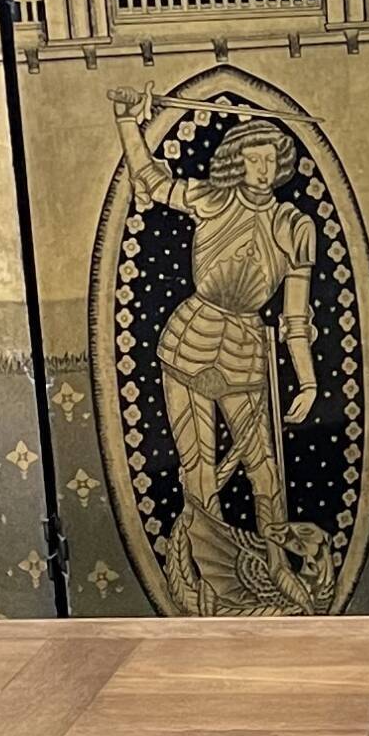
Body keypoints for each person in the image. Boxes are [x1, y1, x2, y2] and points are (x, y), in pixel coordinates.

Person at [117, 93, 320, 606]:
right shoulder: (212, 198)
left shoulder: (295, 226)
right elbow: (153, 181)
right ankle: (207, 581)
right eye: (252, 158)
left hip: (246, 345)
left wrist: (309, 378)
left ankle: (276, 564)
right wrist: (125, 121)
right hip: (189, 337)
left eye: (270, 158)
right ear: (237, 162)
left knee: (263, 467)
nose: (261, 167)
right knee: (198, 466)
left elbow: (297, 314)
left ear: (279, 165)